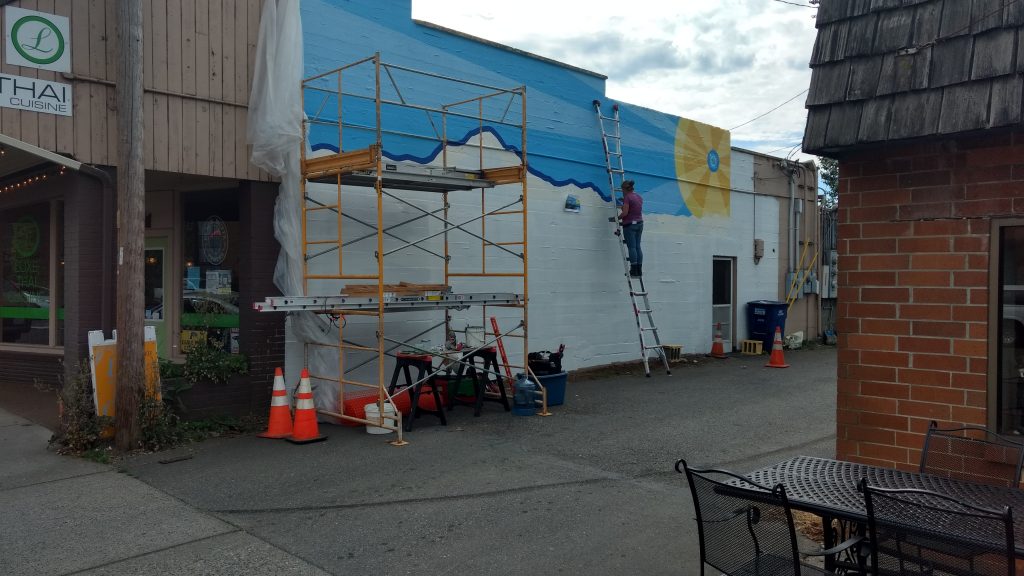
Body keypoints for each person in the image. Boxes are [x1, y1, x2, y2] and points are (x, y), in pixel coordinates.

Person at [618, 179, 644, 277]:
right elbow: (635, 207)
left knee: (632, 247)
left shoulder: (627, 198)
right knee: (638, 247)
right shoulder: (638, 197)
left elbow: (625, 213)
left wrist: (616, 218)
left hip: (630, 225)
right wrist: (624, 201)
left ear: (625, 189)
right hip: (640, 223)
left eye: (622, 190)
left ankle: (633, 270)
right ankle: (639, 270)